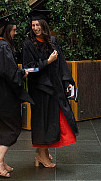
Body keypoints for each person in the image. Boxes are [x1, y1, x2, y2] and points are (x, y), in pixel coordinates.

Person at [0, 15, 33, 178]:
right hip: (2, 95)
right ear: (7, 30)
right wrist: (22, 73)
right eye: (14, 30)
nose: (15, 33)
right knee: (13, 125)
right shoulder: (2, 47)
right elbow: (7, 72)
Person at [22, 9, 77, 168]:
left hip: (55, 88)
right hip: (39, 89)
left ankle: (44, 152)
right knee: (42, 121)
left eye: (38, 24)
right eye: (33, 24)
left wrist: (67, 83)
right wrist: (47, 61)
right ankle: (41, 154)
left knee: (52, 120)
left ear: (44, 25)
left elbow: (61, 65)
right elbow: (29, 68)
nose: (35, 27)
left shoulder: (52, 41)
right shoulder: (27, 44)